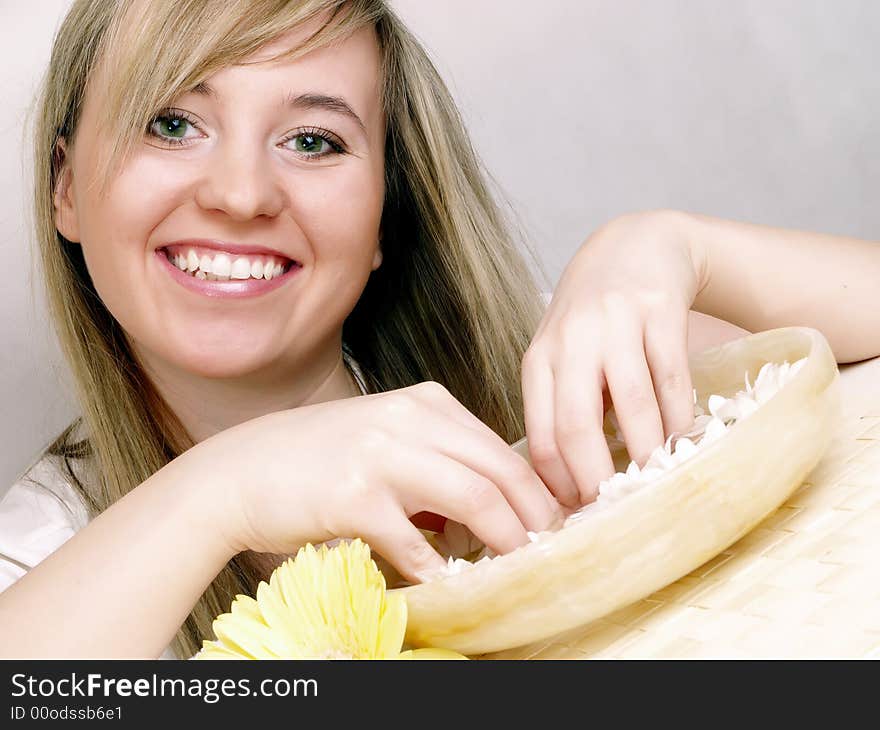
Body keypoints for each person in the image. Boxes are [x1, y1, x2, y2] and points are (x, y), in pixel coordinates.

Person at [0, 0, 877, 660]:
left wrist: (681, 247)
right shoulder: (41, 554)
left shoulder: (567, 411)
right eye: (172, 123)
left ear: (386, 214)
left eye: (313, 141)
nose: (241, 193)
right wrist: (226, 491)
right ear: (65, 189)